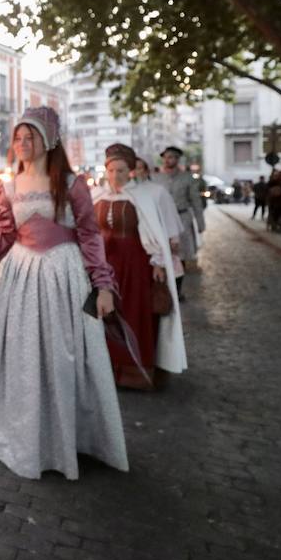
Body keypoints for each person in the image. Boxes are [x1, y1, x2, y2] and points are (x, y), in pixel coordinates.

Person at [0, 106, 128, 480]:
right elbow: (3, 236)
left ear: (48, 140)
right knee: (24, 356)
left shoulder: (73, 185)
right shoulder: (8, 186)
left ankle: (71, 440)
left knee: (64, 355)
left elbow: (90, 236)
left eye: (29, 136)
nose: (22, 143)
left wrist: (104, 284)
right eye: (17, 137)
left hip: (64, 277)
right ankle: (26, 439)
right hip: (22, 278)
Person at [94, 143, 185, 389]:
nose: (115, 176)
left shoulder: (149, 194)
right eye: (111, 171)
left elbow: (162, 231)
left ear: (132, 170)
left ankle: (134, 372)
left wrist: (159, 262)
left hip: (135, 265)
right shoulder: (98, 196)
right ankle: (106, 372)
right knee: (104, 317)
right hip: (104, 266)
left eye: (121, 171)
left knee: (133, 313)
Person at [154, 146, 205, 299]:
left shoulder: (187, 178)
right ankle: (163, 288)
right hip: (161, 220)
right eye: (166, 157)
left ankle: (177, 289)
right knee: (160, 254)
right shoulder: (155, 178)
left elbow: (196, 200)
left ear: (177, 159)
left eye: (172, 157)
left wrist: (200, 221)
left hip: (181, 219)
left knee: (180, 255)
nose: (169, 160)